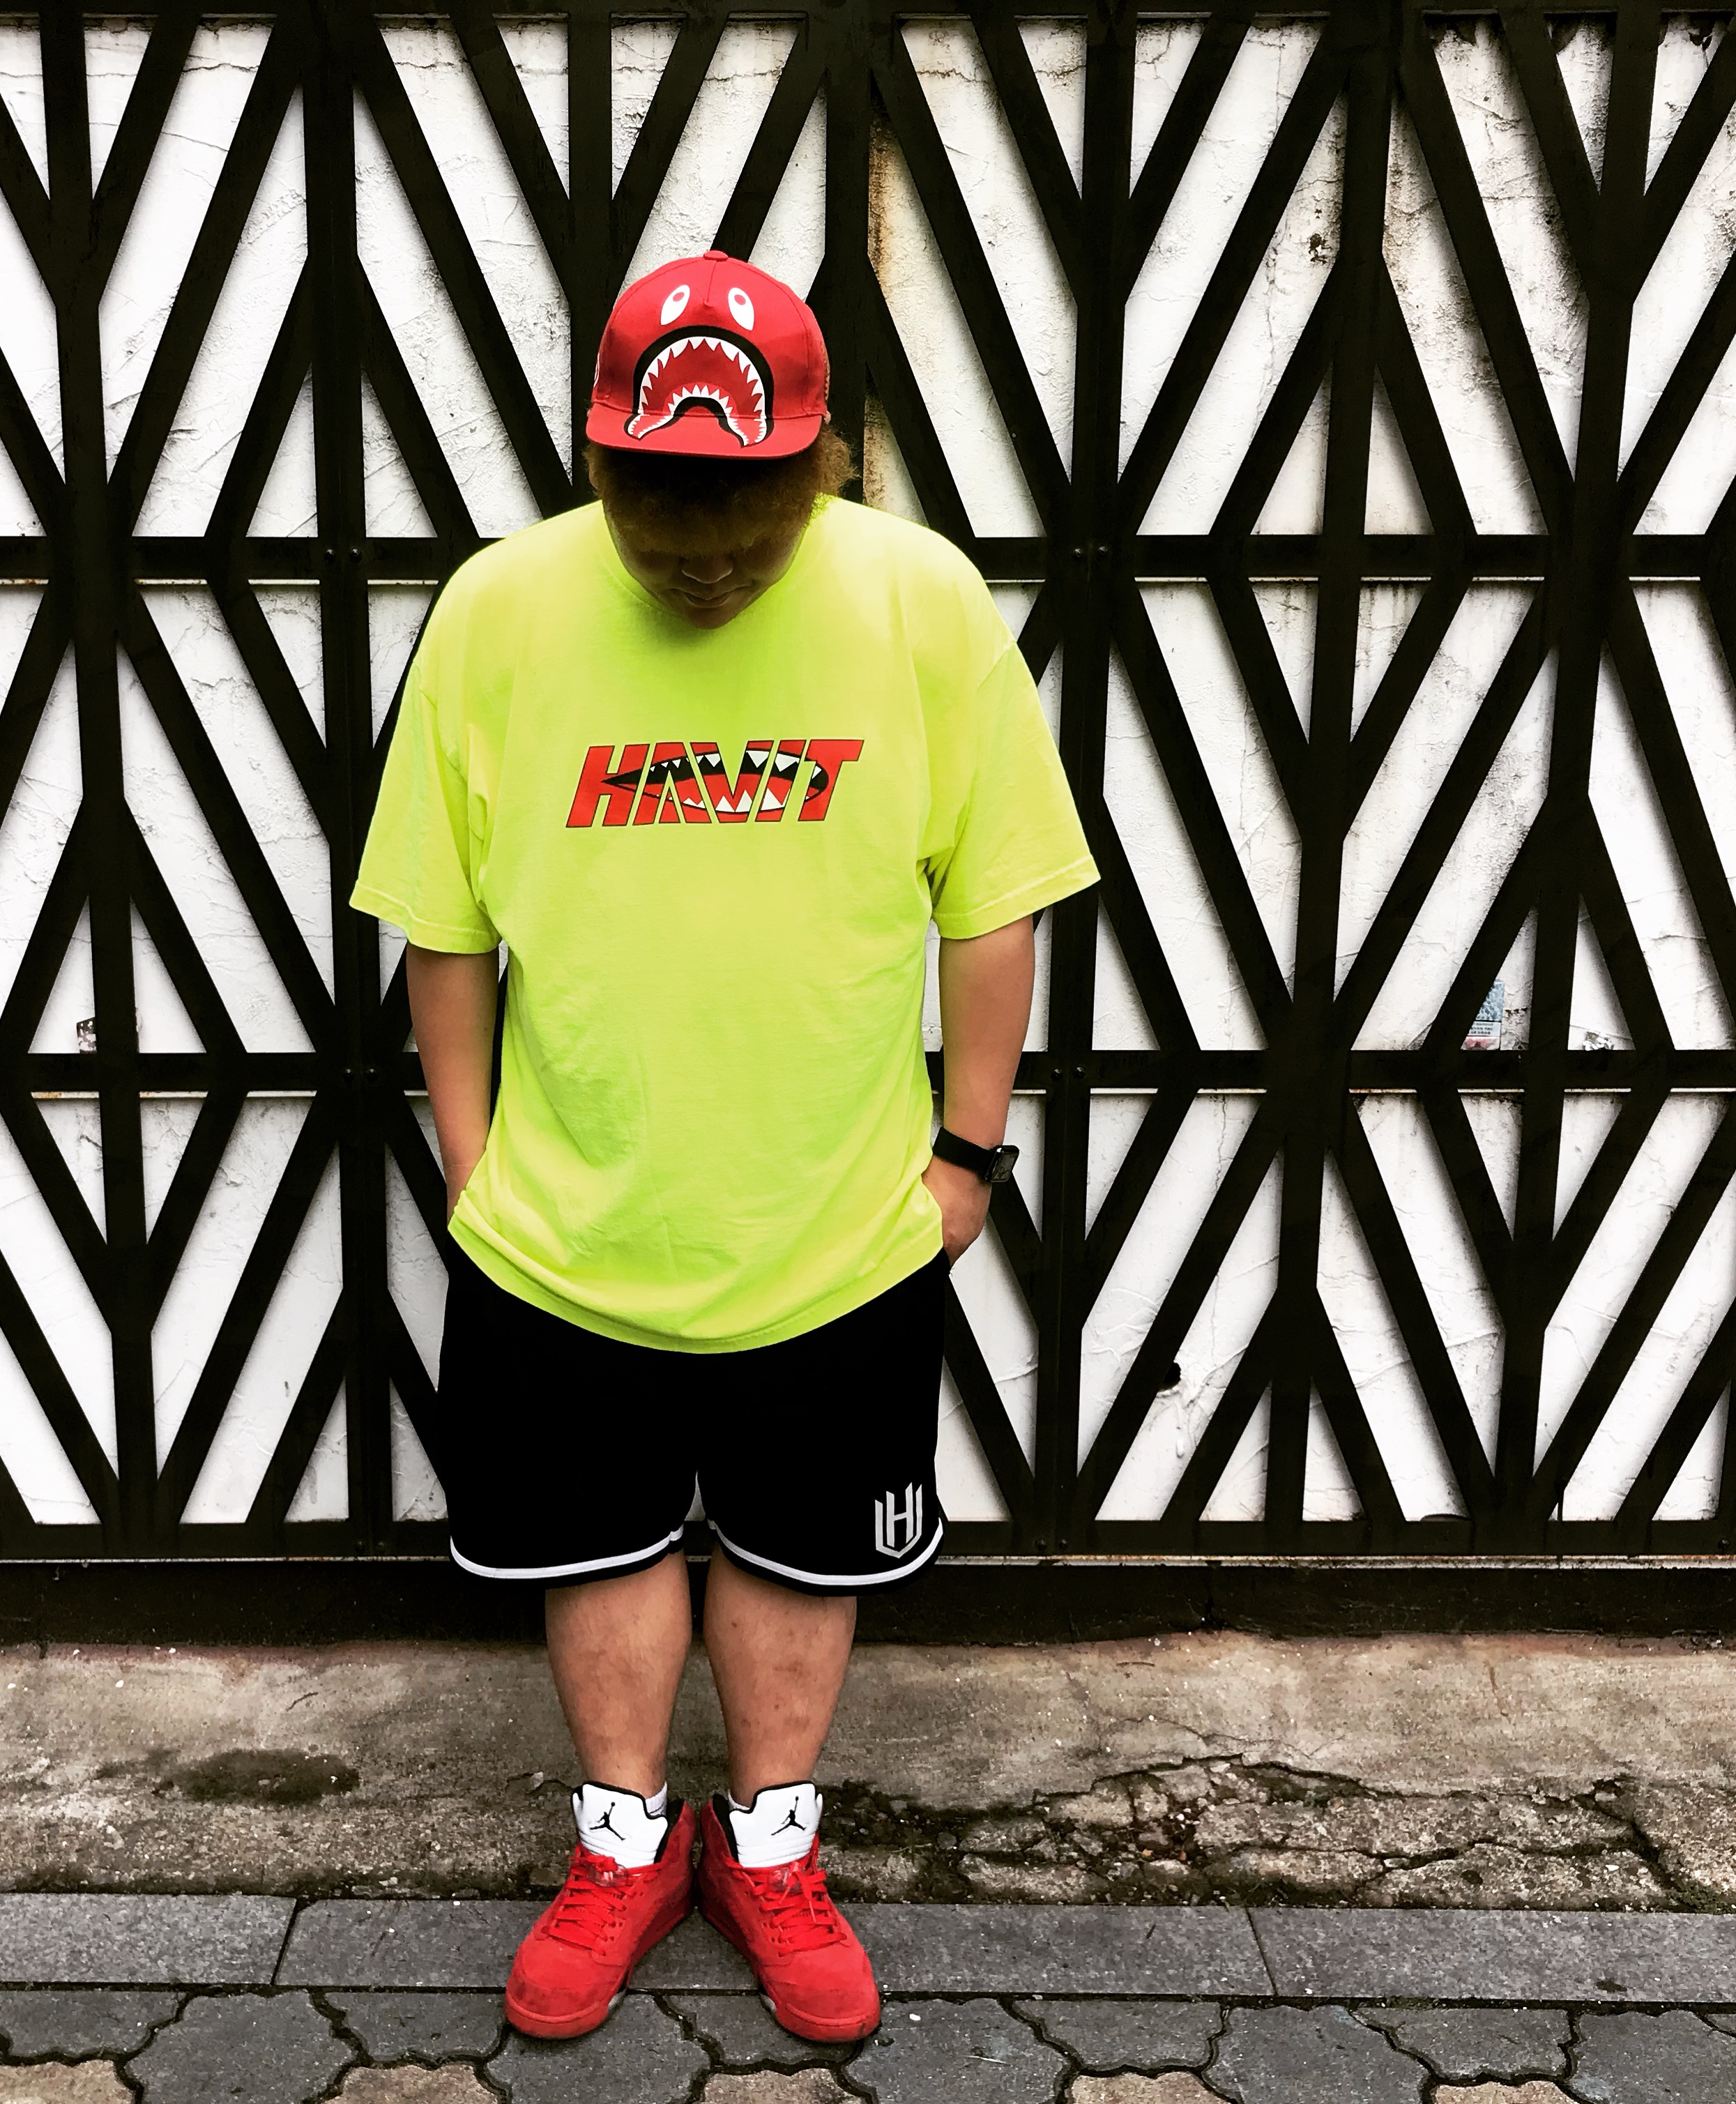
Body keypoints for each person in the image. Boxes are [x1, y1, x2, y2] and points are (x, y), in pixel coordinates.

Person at [351, 251, 1097, 2043]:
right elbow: (442, 929)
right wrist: (471, 1169)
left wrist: (969, 1159)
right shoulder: (498, 609)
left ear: (822, 459)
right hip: (566, 1222)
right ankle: (625, 1841)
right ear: (599, 454)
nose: (705, 562)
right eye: (664, 516)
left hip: (836, 1218)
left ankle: (770, 1844)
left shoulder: (921, 603)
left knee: (802, 1546)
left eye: (746, 522)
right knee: (596, 1540)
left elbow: (996, 901)